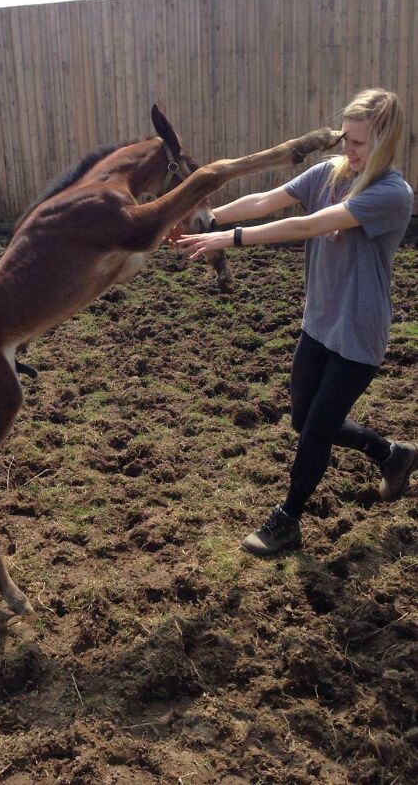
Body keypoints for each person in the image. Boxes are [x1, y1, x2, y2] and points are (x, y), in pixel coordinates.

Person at [173, 88, 416, 555]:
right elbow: (267, 199)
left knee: (318, 432)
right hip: (319, 323)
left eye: (360, 143)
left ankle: (287, 521)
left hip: (359, 335)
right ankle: (393, 454)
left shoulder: (391, 194)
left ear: (385, 142)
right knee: (303, 421)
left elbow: (311, 226)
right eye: (347, 139)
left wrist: (231, 239)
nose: (349, 149)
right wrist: (206, 220)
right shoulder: (329, 172)